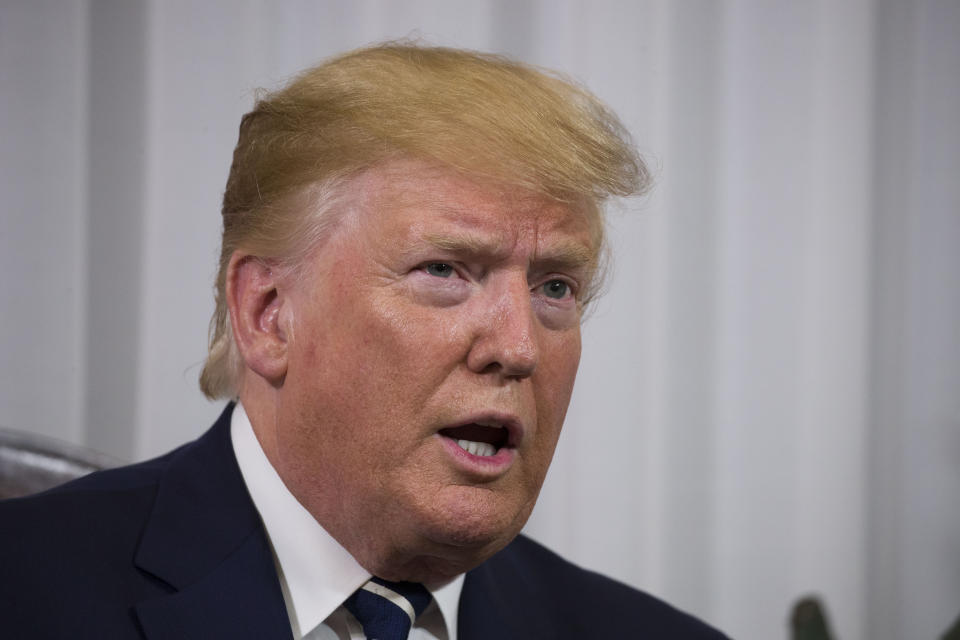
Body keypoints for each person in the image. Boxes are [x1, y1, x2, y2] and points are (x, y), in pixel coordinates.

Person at [0, 43, 726, 639]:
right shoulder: (25, 592)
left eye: (555, 288)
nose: (519, 346)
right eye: (445, 269)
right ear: (268, 313)